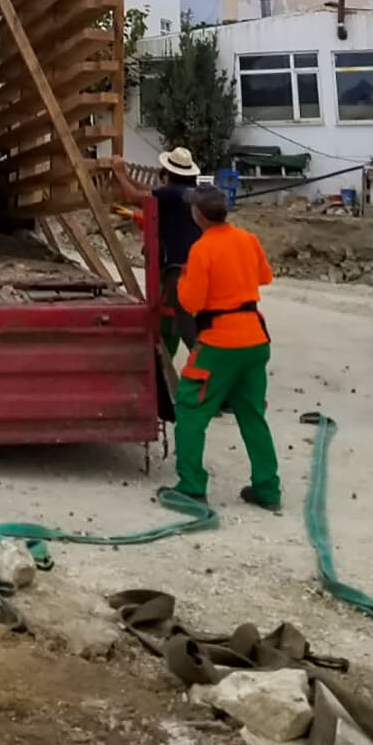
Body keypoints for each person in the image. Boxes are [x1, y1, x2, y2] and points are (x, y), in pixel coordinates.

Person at [169, 185, 281, 511]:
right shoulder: (247, 239)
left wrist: (182, 280)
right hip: (255, 339)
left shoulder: (202, 249)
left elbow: (191, 302)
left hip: (220, 341)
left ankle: (191, 487)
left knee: (190, 409)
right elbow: (265, 277)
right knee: (252, 415)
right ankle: (267, 487)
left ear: (198, 214)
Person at [113, 145, 202, 358]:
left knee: (177, 317)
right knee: (184, 314)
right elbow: (149, 190)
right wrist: (127, 176)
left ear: (168, 172)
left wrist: (118, 174)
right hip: (195, 265)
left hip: (175, 268)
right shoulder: (188, 194)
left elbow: (136, 197)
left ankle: (188, 363)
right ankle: (194, 360)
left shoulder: (171, 195)